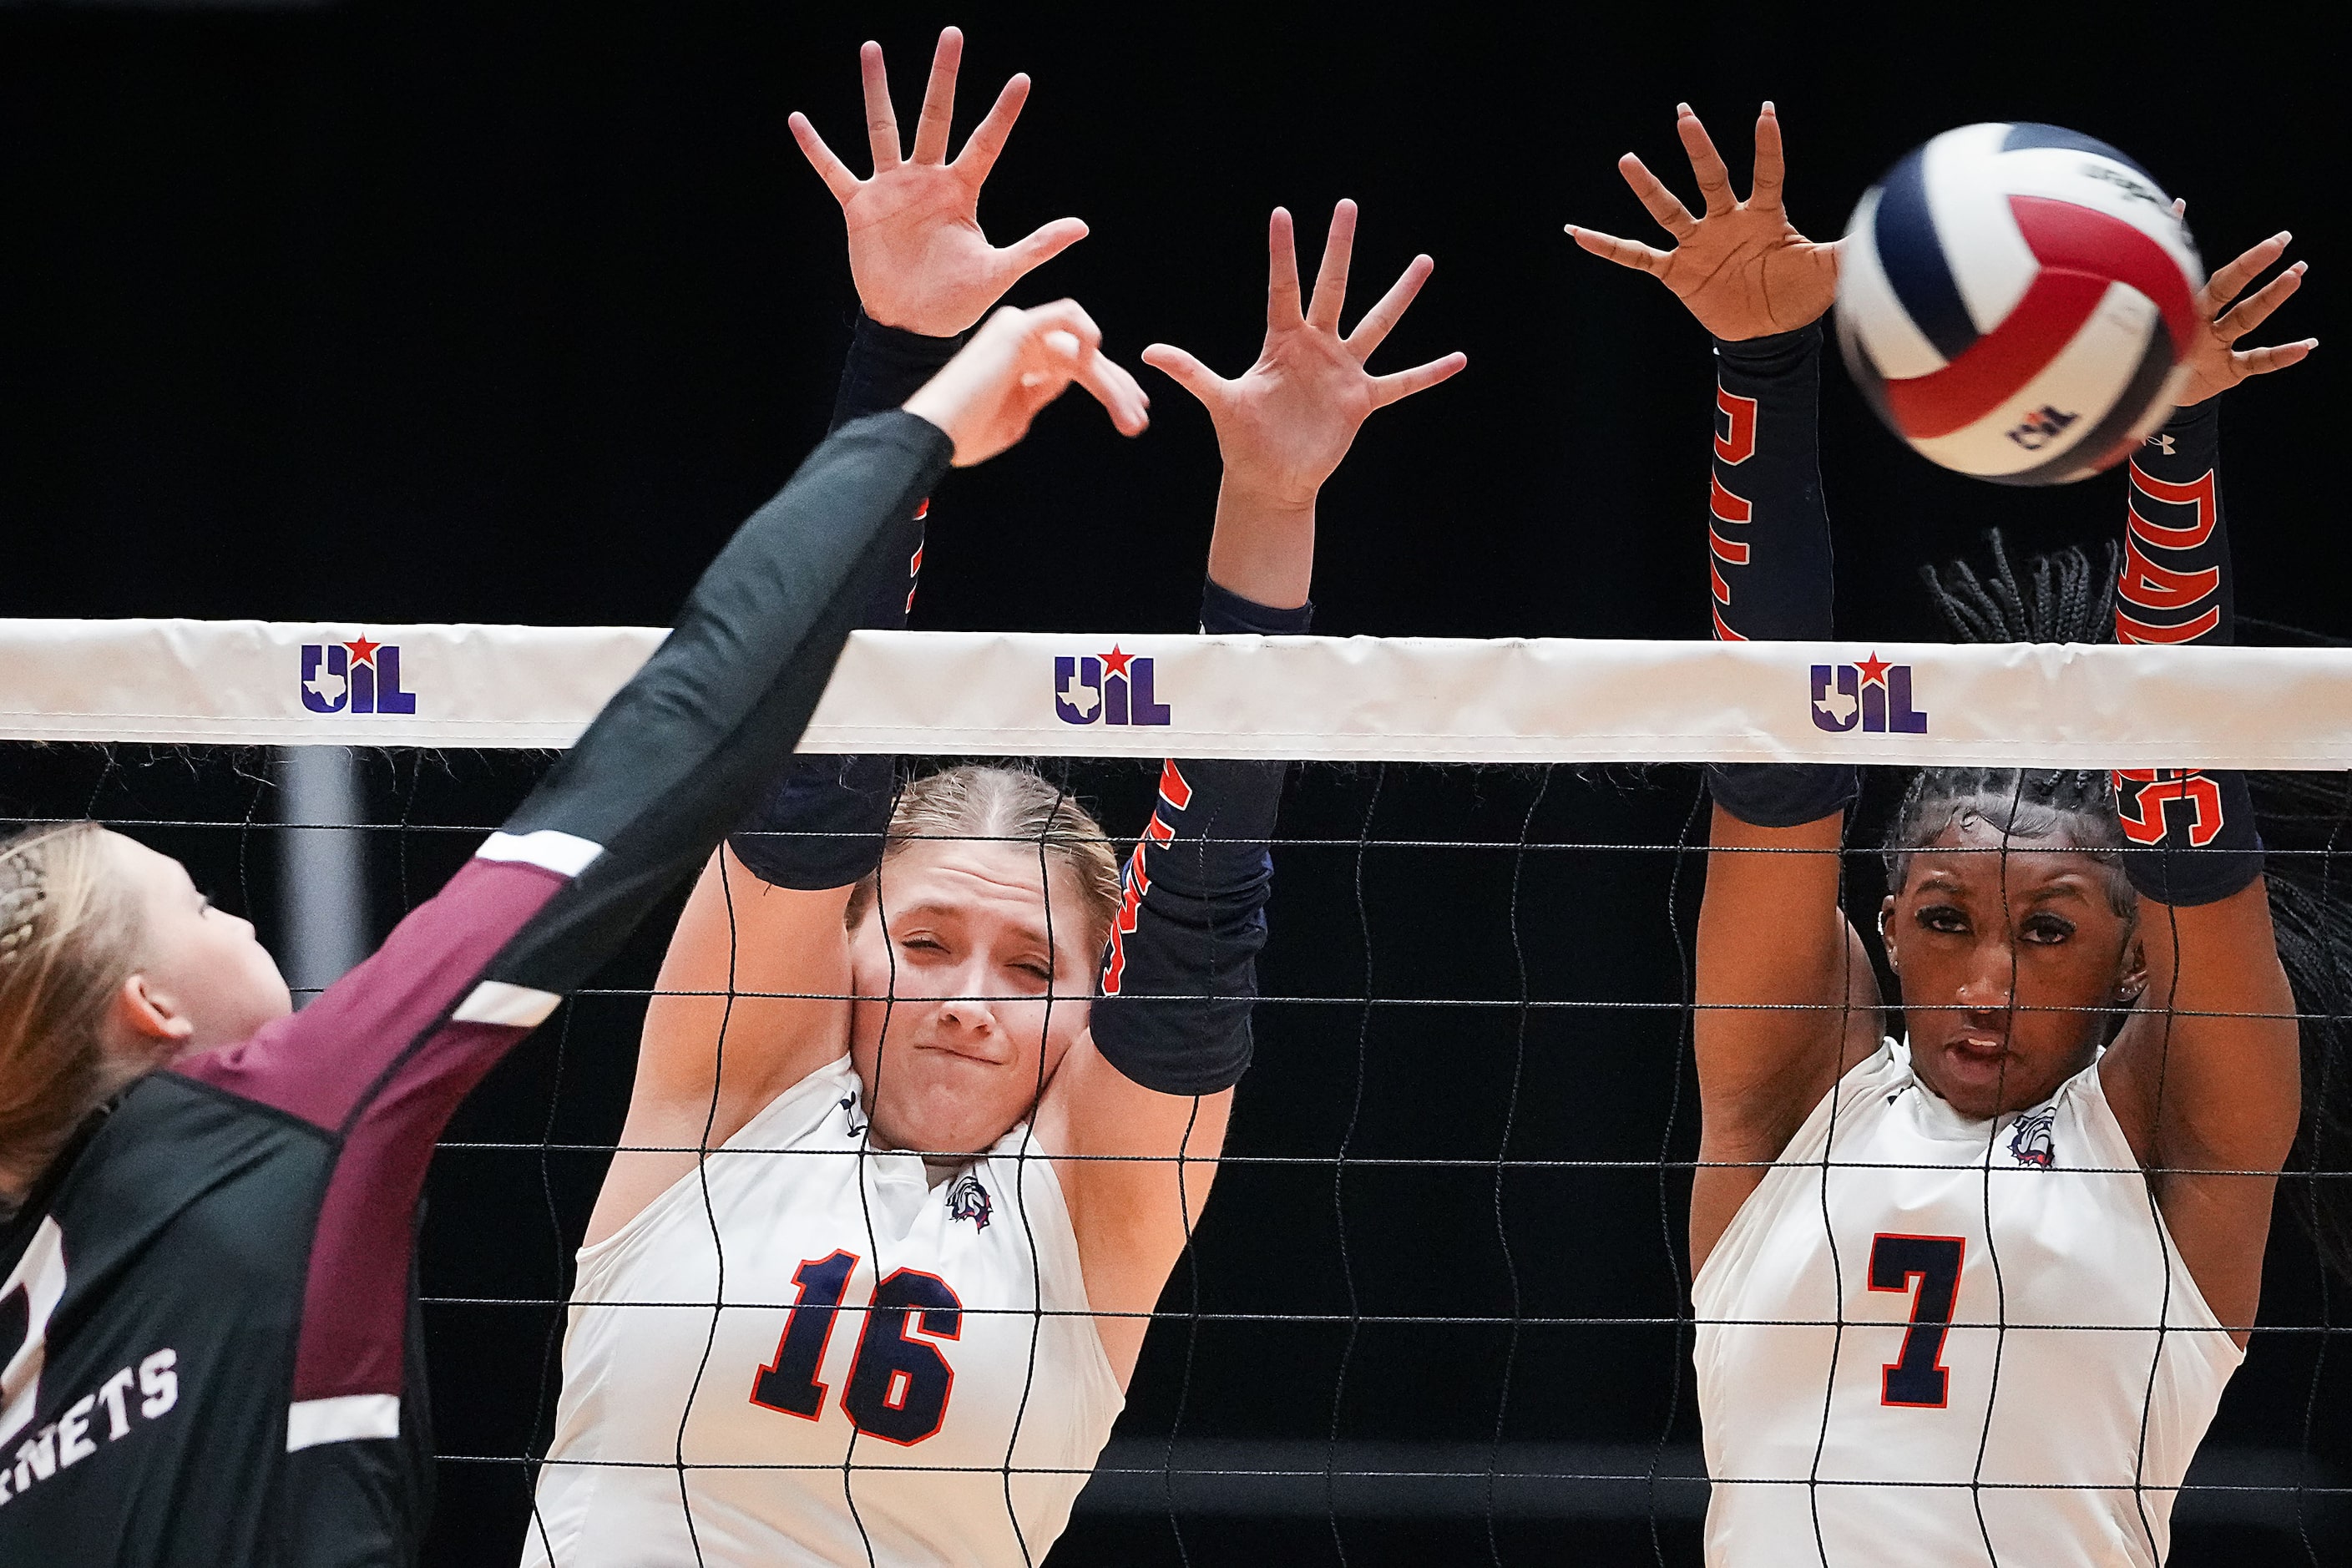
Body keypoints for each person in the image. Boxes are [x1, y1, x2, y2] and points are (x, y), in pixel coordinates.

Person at [0, 266, 1148, 1557]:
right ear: (149, 1006)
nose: (236, 918)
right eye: (198, 899)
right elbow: (682, 729)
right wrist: (917, 410)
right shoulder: (281, 1103)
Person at [520, 28, 1464, 1568]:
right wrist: (905, 354)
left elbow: (1201, 910)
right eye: (930, 938)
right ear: (843, 946)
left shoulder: (1091, 1221)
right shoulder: (736, 1095)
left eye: (1034, 968)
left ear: (1089, 1014)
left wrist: (1270, 503)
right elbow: (814, 750)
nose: (970, 995)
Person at [1573, 104, 2320, 1564]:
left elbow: (2185, 804)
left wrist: (2171, 439)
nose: (1984, 979)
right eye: (1944, 921)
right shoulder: (1796, 1093)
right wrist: (1761, 363)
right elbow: (1782, 752)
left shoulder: (2176, 1138)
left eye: (2045, 930)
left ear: (2125, 966)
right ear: (1886, 928)